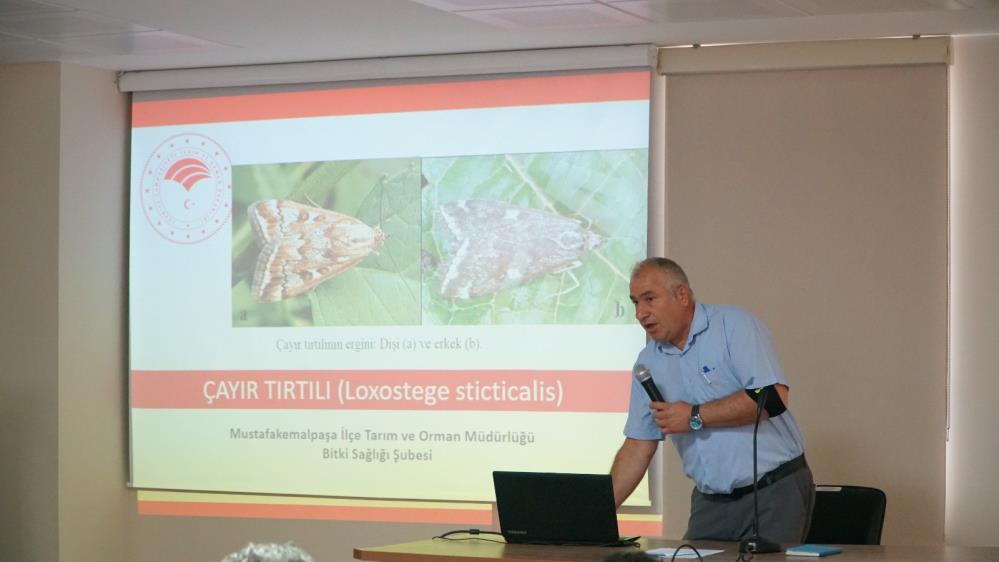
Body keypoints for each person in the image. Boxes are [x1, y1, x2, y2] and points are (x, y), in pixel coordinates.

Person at [611, 257, 814, 544]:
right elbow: (638, 445)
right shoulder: (648, 363)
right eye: (635, 302)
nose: (641, 313)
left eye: (650, 299)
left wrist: (694, 415)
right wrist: (597, 517)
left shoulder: (734, 326)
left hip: (772, 492)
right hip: (710, 504)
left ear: (681, 295)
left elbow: (772, 398)